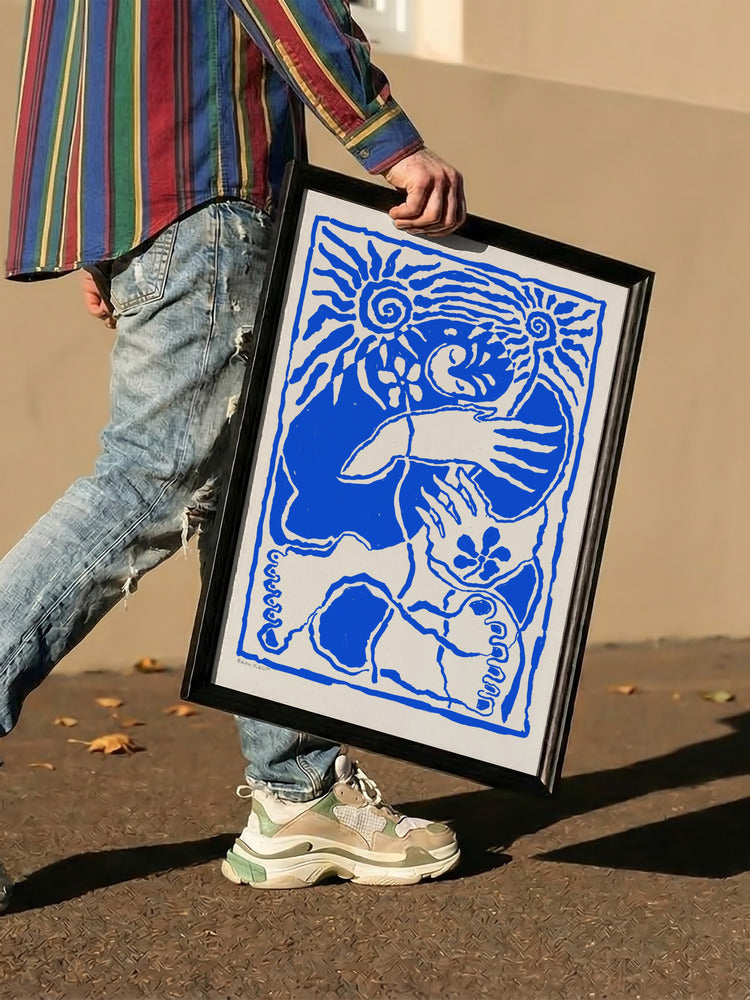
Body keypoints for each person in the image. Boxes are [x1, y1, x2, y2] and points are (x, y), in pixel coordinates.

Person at [0, 1, 466, 910]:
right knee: (153, 479)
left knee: (245, 496)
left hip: (148, 196)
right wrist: (388, 138)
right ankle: (299, 791)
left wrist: (97, 230)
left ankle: (298, 794)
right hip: (208, 190)